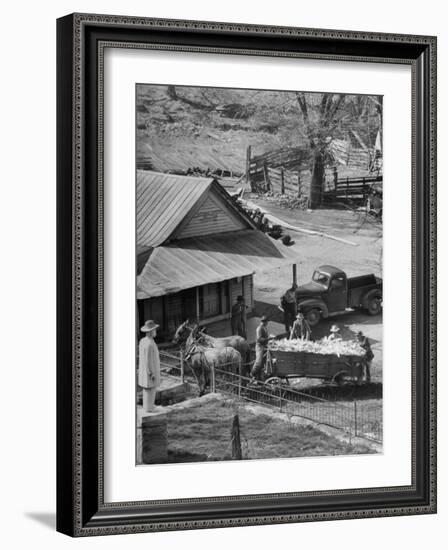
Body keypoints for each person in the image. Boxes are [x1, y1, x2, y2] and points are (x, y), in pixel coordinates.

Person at [138, 320, 161, 412]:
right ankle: (149, 408)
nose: (155, 332)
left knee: (148, 390)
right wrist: (151, 373)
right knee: (151, 389)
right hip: (150, 370)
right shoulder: (149, 344)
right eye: (154, 330)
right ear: (151, 332)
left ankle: (148, 406)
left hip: (144, 371)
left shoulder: (143, 341)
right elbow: (147, 360)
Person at [251, 316, 270, 380]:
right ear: (264, 322)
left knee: (264, 361)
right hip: (259, 346)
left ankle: (261, 374)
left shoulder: (265, 328)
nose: (267, 323)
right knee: (258, 362)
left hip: (264, 346)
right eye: (267, 322)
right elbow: (259, 339)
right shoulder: (259, 329)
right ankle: (252, 373)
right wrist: (268, 339)